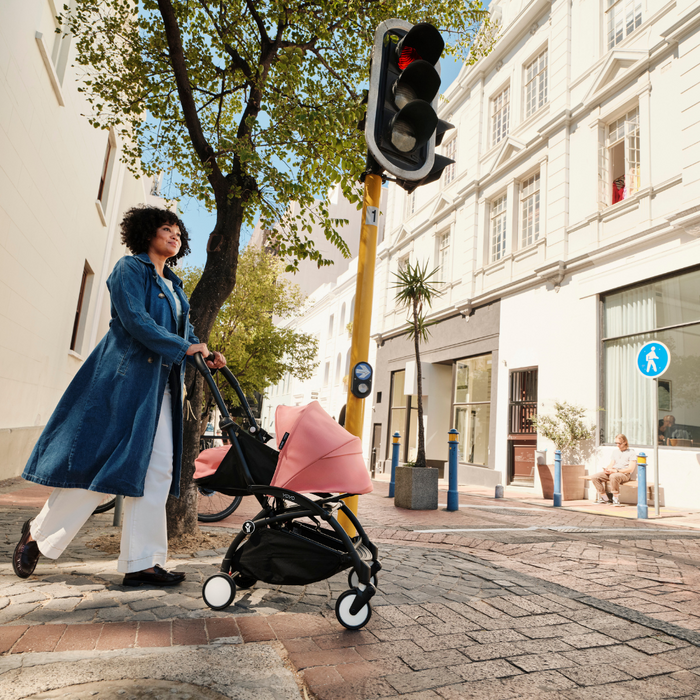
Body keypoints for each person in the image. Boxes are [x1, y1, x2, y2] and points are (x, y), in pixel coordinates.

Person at [13, 205, 226, 586]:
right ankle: (38, 535)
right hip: (123, 384)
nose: (174, 235)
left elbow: (187, 333)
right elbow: (136, 320)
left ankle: (141, 562)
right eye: (166, 228)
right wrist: (184, 345)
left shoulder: (175, 287)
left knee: (158, 472)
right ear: (147, 234)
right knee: (101, 469)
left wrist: (204, 353)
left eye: (178, 231)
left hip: (160, 391)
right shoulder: (129, 270)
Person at [590, 434, 636, 506]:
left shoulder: (631, 453)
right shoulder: (615, 452)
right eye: (616, 443)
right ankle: (605, 498)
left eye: (619, 443)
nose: (618, 445)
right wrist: (607, 469)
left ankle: (615, 499)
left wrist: (616, 471)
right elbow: (611, 464)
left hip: (624, 474)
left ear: (625, 442)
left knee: (613, 476)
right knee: (594, 477)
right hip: (613, 471)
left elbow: (630, 469)